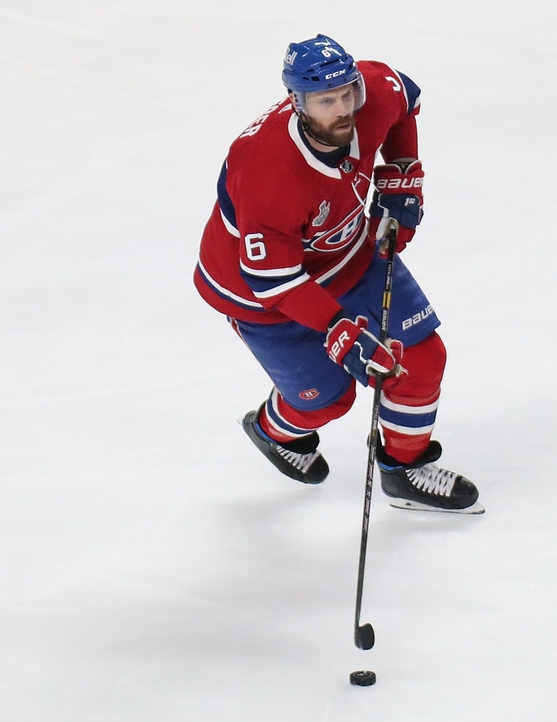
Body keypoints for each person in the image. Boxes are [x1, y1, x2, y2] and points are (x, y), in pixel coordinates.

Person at [193, 34, 481, 514]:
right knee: (326, 401)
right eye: (327, 101)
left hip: (349, 255)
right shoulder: (267, 171)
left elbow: (403, 101)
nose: (344, 107)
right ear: (297, 103)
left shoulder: (369, 93)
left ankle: (404, 470)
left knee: (422, 359)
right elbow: (274, 280)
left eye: (348, 93)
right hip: (262, 295)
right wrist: (337, 329)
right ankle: (272, 430)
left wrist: (402, 169)